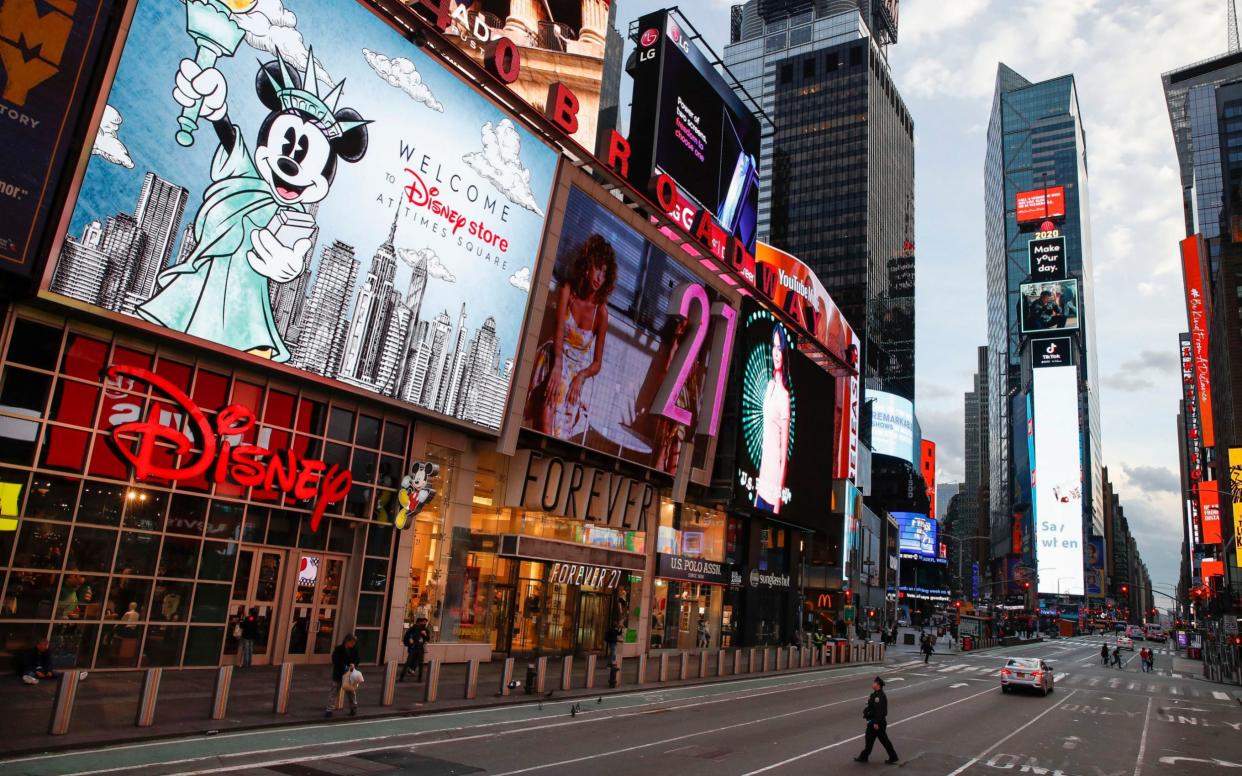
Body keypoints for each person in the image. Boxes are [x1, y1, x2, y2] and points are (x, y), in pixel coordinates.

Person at [525, 234, 617, 439]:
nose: (599, 277)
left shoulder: (600, 313)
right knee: (558, 380)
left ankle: (550, 440)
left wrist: (582, 376)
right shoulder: (568, 291)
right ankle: (546, 439)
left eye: (604, 272)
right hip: (553, 358)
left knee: (568, 389)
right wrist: (558, 365)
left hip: (574, 373)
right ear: (587, 265)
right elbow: (558, 331)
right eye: (597, 268)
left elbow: (597, 364)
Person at [753, 325, 792, 514]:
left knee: (764, 541)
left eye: (780, 348)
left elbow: (783, 457)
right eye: (774, 346)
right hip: (760, 489)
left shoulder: (785, 397)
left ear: (785, 352)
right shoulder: (768, 386)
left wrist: (777, 505)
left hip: (772, 495)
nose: (776, 353)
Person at [854, 676, 899, 764]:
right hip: (873, 722)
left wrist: (876, 723)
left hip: (877, 723)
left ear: (878, 685)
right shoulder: (875, 694)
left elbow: (880, 712)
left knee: (883, 741)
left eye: (874, 683)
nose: (872, 684)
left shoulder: (879, 697)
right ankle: (864, 756)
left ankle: (893, 757)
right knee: (870, 739)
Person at [325, 634, 360, 717]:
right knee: (334, 691)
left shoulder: (354, 650)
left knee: (351, 692)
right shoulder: (339, 649)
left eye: (354, 643)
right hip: (339, 673)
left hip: (349, 675)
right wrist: (345, 666)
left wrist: (353, 664)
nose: (353, 644)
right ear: (347, 641)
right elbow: (335, 660)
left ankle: (353, 708)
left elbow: (357, 659)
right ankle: (329, 710)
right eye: (352, 642)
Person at [400, 617, 430, 682]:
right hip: (413, 648)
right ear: (419, 622)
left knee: (420, 663)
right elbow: (407, 636)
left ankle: (419, 677)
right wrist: (410, 640)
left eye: (425, 623)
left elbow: (428, 639)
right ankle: (402, 676)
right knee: (409, 662)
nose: (424, 624)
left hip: (420, 648)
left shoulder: (425, 630)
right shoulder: (413, 629)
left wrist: (425, 635)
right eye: (423, 622)